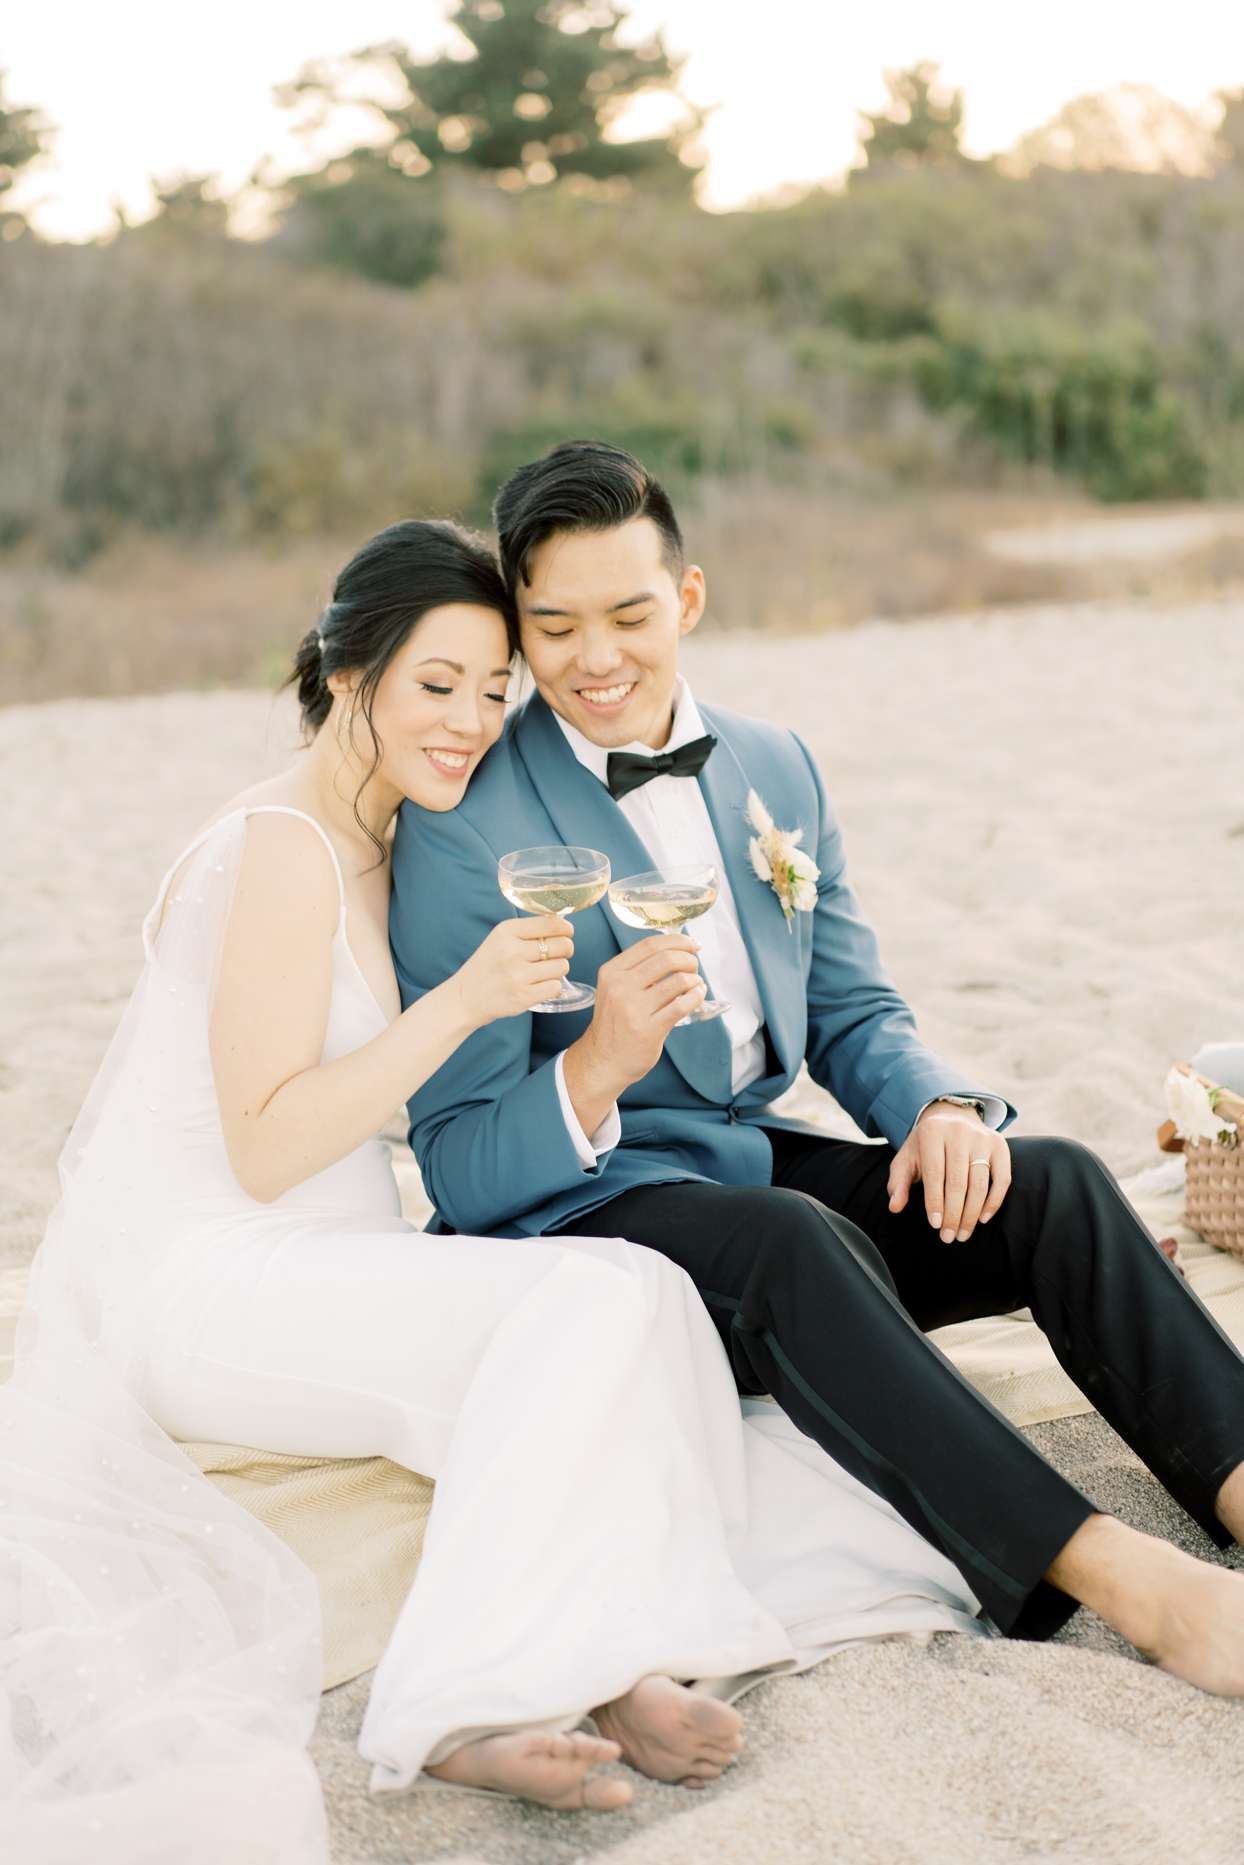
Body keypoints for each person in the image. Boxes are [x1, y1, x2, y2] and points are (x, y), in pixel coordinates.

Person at [1, 519, 989, 1864]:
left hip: (333, 1262)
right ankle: (459, 1702)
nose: (470, 721)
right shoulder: (280, 846)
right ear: (350, 675)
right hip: (215, 1277)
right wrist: (469, 999)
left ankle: (616, 1645)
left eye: (490, 690)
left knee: (634, 1293)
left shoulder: (396, 837)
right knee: (580, 1312)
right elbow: (265, 1147)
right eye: (435, 685)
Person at [393, 440, 1244, 1693]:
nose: (597, 657)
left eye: (628, 613)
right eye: (556, 625)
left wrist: (939, 1107)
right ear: (520, 631)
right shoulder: (466, 825)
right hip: (582, 1224)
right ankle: (1123, 1576)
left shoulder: (771, 762)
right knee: (795, 1235)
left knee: (1048, 1179)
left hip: (747, 1174)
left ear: (685, 599)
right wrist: (596, 1067)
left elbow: (848, 1007)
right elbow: (461, 1168)